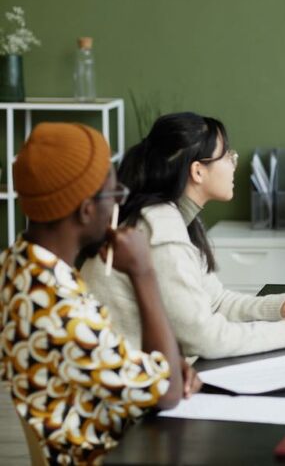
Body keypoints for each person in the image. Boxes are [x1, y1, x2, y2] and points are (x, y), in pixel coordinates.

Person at [0, 123, 201, 465]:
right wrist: (143, 272)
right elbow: (166, 392)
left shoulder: (19, 267)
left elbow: (97, 358)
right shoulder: (57, 307)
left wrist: (157, 366)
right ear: (86, 209)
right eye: (114, 195)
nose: (119, 204)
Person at [81, 113, 285, 359]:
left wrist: (278, 307)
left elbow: (216, 302)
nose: (234, 164)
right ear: (198, 172)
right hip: (129, 382)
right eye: (227, 156)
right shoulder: (159, 228)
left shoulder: (179, 221)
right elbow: (205, 339)